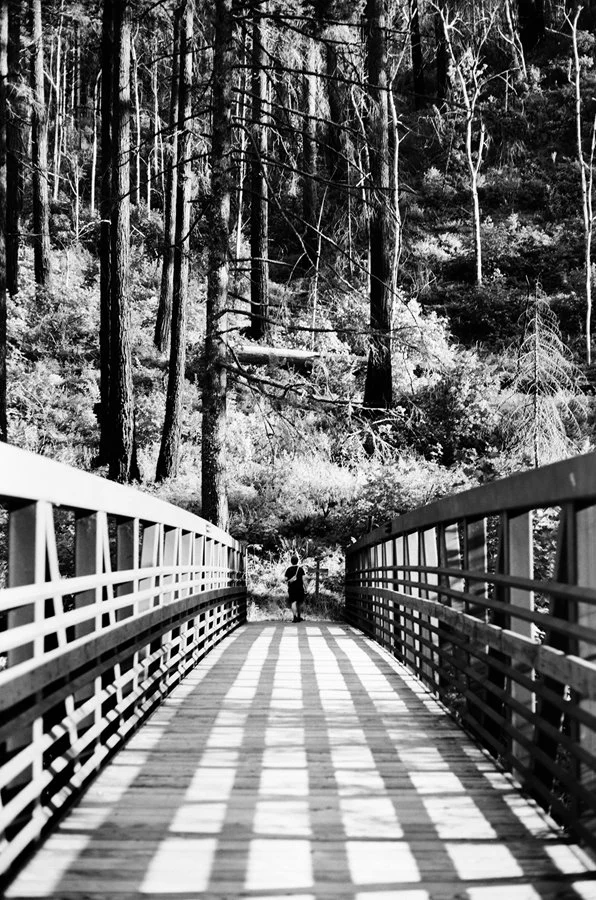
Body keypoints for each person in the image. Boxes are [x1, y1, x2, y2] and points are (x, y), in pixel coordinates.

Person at [284, 554, 306, 623]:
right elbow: (304, 580)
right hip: (300, 588)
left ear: (291, 561)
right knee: (299, 602)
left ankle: (294, 617)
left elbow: (285, 579)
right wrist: (306, 588)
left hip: (292, 588)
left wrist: (290, 579)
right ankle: (299, 616)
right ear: (297, 561)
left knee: (293, 602)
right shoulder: (301, 569)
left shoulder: (288, 569)